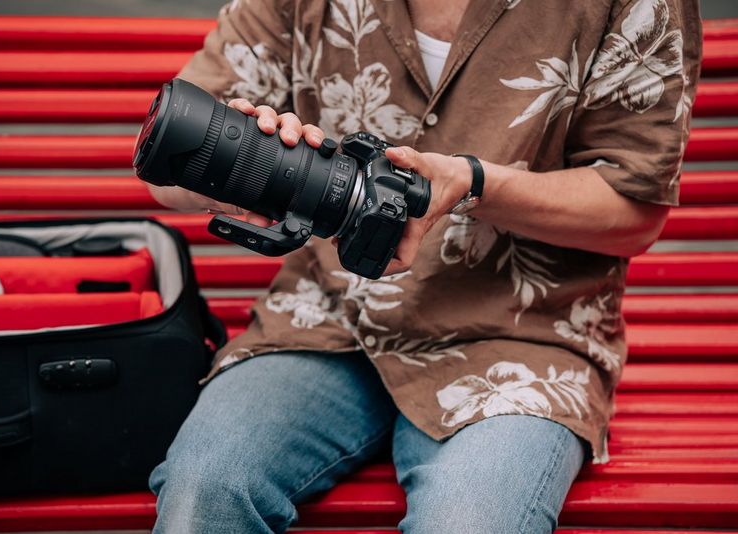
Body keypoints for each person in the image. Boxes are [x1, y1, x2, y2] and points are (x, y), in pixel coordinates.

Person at [147, 0, 702, 531]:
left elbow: (635, 211)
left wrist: (475, 183)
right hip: (327, 322)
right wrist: (230, 162)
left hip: (521, 339)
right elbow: (163, 173)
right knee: (205, 488)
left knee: (468, 525)